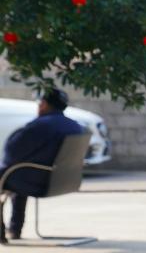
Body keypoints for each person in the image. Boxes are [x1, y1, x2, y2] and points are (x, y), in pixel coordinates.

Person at [0, 88, 84, 243]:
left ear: (44, 104)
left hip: (39, 181)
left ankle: (6, 230)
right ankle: (14, 229)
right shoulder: (75, 126)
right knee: (16, 172)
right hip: (62, 180)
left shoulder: (40, 126)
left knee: (8, 173)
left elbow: (11, 152)